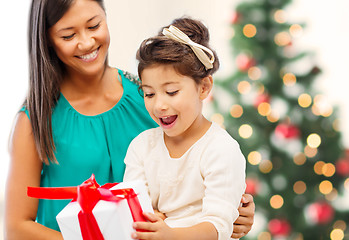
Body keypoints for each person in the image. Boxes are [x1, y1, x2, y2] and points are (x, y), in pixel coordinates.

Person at [4, 0, 254, 239]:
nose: (86, 42)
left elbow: (197, 165)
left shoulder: (148, 96)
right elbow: (17, 229)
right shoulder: (35, 120)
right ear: (47, 40)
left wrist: (235, 209)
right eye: (68, 35)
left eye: (94, 26)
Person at [123, 17, 246, 240]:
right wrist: (149, 219)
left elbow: (218, 227)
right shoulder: (141, 147)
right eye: (149, 93)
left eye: (171, 92)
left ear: (204, 87)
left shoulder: (221, 149)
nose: (159, 105)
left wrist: (170, 234)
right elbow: (132, 210)